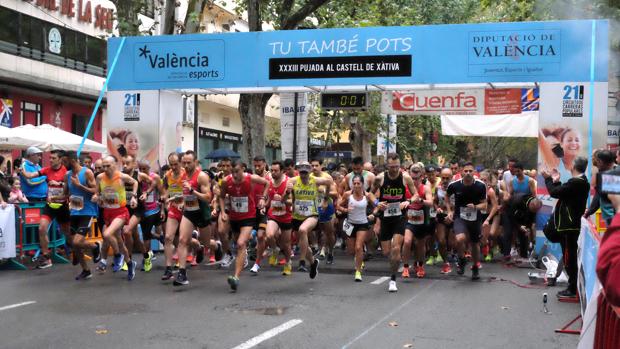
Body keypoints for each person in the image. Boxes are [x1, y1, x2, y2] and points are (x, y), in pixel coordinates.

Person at [541, 157, 589, 299]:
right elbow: (562, 192)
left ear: (574, 166)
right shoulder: (579, 182)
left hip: (569, 226)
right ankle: (572, 286)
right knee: (569, 256)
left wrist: (548, 179)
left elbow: (554, 193)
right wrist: (556, 181)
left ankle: (572, 288)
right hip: (569, 225)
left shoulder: (577, 182)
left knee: (570, 257)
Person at [219, 160, 269, 291]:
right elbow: (221, 196)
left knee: (241, 243)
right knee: (237, 244)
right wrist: (223, 211)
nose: (235, 175)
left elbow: (267, 183)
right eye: (232, 172)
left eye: (237, 171)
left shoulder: (250, 178)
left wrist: (263, 198)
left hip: (248, 217)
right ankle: (243, 258)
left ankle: (235, 277)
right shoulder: (226, 181)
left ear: (243, 169)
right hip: (235, 217)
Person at [371, 153, 418, 292]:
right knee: (387, 252)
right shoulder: (380, 178)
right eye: (392, 167)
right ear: (387, 166)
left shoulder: (405, 177)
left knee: (396, 248)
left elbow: (415, 195)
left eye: (397, 166)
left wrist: (407, 201)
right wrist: (377, 203)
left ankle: (393, 280)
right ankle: (393, 263)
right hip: (385, 217)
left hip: (400, 216)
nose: (395, 169)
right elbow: (370, 193)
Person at [20, 149, 70, 269]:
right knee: (41, 228)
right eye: (50, 158)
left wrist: (60, 184)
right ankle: (46, 257)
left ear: (60, 160)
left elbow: (71, 188)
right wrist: (22, 169)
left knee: (67, 233)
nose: (50, 160)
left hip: (63, 206)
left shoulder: (66, 172)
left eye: (53, 158)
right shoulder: (46, 170)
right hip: (50, 205)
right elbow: (30, 176)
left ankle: (75, 249)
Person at [93, 155, 138, 281]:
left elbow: (135, 182)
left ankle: (116, 255)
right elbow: (97, 193)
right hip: (107, 212)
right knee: (119, 240)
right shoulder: (100, 177)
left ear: (115, 165)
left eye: (108, 166)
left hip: (120, 212)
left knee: (106, 234)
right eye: (104, 166)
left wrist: (134, 196)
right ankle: (130, 263)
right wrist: (96, 197)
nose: (105, 169)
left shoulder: (121, 176)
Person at [286, 161, 333, 278]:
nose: (303, 175)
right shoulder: (292, 181)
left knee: (303, 230)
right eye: (301, 172)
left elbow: (329, 182)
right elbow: (286, 197)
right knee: (304, 244)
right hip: (297, 216)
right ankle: (313, 263)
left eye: (306, 173)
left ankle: (302, 261)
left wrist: (326, 198)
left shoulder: (315, 181)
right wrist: (288, 192)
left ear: (309, 172)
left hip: (312, 215)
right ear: (298, 172)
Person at [173, 151, 213, 287]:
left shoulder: (201, 176)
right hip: (189, 212)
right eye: (183, 162)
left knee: (207, 243)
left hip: (202, 213)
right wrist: (181, 203)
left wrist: (192, 191)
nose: (185, 165)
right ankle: (182, 274)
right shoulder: (183, 175)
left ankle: (215, 246)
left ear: (195, 162)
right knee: (183, 240)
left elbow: (208, 198)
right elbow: (186, 195)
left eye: (189, 162)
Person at [64, 151, 101, 280]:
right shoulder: (67, 175)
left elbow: (95, 191)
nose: (63, 164)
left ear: (72, 160)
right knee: (74, 244)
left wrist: (80, 185)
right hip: (74, 211)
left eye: (65, 161)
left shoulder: (87, 172)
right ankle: (86, 270)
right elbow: (66, 193)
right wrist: (54, 197)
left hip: (87, 211)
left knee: (77, 241)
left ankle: (95, 246)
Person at [446, 162, 487, 280]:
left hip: (475, 218)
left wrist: (475, 207)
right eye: (466, 171)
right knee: (460, 239)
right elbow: (447, 197)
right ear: (461, 172)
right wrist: (449, 211)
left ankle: (474, 267)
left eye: (470, 171)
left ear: (474, 172)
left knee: (475, 244)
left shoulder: (480, 185)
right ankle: (462, 259)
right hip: (460, 216)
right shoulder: (454, 185)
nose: (468, 173)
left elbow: (484, 205)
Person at [338, 174, 376, 282]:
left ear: (363, 184)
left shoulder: (367, 195)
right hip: (350, 224)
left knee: (358, 247)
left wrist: (374, 213)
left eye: (358, 183)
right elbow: (338, 206)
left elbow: (377, 205)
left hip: (363, 224)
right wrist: (345, 210)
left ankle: (358, 271)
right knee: (351, 250)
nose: (356, 185)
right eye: (354, 183)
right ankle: (359, 257)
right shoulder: (347, 195)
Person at [402, 163, 433, 278]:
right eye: (412, 178)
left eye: (417, 178)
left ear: (422, 177)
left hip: (422, 220)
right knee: (407, 242)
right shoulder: (405, 188)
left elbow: (430, 202)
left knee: (420, 245)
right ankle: (405, 268)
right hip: (409, 220)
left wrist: (421, 201)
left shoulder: (425, 188)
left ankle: (420, 266)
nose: (414, 181)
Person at [263, 161, 294, 275]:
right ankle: (275, 249)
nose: (273, 173)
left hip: (286, 216)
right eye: (272, 170)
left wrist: (282, 198)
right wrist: (263, 202)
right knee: (269, 235)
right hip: (274, 214)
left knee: (286, 244)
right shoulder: (269, 182)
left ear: (282, 171)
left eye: (276, 171)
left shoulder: (288, 183)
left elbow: (291, 202)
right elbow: (267, 198)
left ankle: (288, 262)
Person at [137, 160, 164, 272]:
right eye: (140, 169)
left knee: (150, 235)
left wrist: (162, 210)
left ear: (149, 168)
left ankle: (159, 239)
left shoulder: (155, 177)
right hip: (144, 211)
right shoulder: (138, 178)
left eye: (145, 169)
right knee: (146, 236)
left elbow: (162, 193)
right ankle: (147, 259)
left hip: (155, 210)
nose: (142, 171)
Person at [310, 158, 338, 264]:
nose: (314, 168)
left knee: (328, 232)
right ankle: (315, 247)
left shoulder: (327, 178)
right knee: (311, 230)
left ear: (321, 166)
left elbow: (335, 194)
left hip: (326, 207)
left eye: (316, 165)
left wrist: (325, 191)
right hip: (313, 206)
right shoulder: (309, 177)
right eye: (312, 166)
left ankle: (330, 252)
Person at [585, 150, 615, 226]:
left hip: (612, 217)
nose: (593, 160)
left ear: (600, 161)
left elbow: (598, 197)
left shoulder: (607, 176)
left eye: (595, 158)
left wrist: (588, 213)